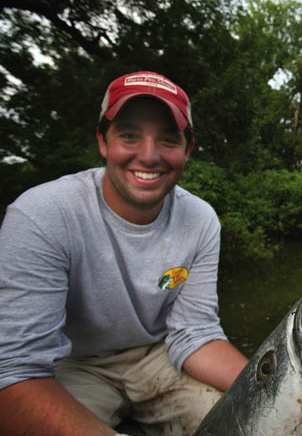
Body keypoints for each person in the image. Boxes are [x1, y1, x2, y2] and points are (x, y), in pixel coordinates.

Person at [0, 71, 248, 435]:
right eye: (129, 135)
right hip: (73, 363)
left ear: (187, 150)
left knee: (248, 421)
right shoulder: (42, 214)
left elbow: (194, 333)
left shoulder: (201, 220)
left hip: (158, 357)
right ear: (103, 141)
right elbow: (16, 370)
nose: (148, 156)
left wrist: (271, 388)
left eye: (167, 139)